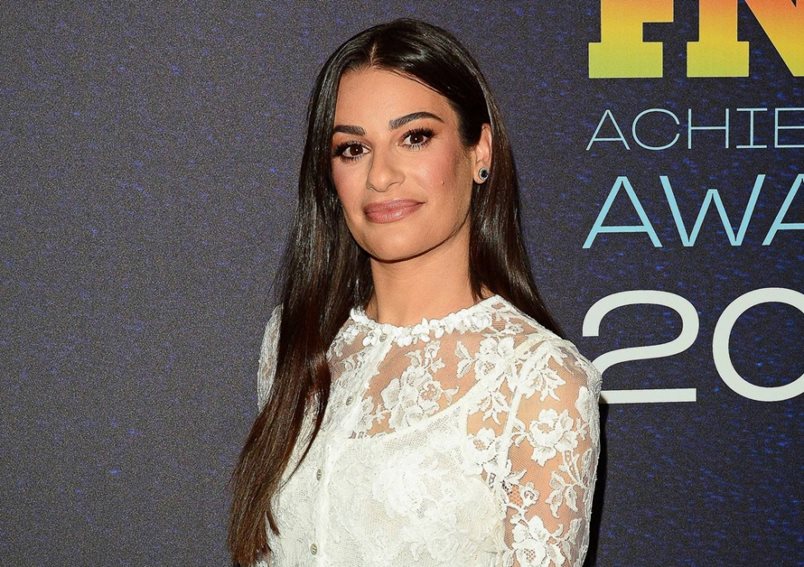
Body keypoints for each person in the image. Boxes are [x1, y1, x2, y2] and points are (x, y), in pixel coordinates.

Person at [229, 19, 601, 567]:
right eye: (353, 148)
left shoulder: (542, 383)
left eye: (415, 137)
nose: (381, 175)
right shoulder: (294, 340)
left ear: (480, 150)